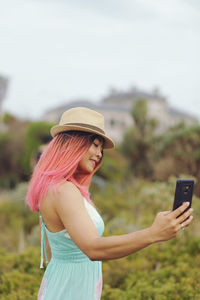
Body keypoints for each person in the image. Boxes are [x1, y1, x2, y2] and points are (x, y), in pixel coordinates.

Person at [25, 107, 193, 300]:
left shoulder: (59, 188)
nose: (99, 154)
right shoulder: (63, 190)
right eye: (94, 145)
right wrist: (152, 234)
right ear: (73, 144)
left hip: (64, 287)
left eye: (101, 148)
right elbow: (93, 248)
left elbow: (51, 254)